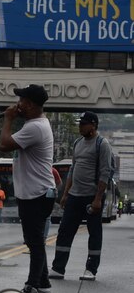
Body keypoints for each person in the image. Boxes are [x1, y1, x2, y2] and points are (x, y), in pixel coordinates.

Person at [0, 84, 56, 293]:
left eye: (21, 100)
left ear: (30, 105)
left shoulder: (35, 128)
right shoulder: (36, 124)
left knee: (35, 243)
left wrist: (8, 119)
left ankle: (32, 286)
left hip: (37, 193)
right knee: (34, 241)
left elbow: (4, 144)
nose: (18, 104)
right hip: (35, 193)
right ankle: (44, 288)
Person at [49, 111, 113, 282]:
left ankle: (91, 269)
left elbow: (105, 173)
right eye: (80, 123)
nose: (80, 127)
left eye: (83, 124)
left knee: (94, 233)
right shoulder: (78, 143)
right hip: (74, 196)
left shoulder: (102, 144)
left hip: (92, 196)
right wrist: (65, 193)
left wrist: (98, 198)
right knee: (64, 231)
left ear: (93, 125)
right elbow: (72, 169)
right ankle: (58, 268)